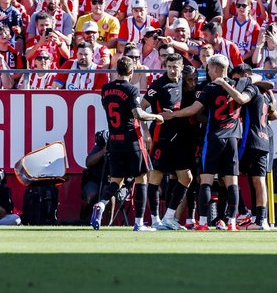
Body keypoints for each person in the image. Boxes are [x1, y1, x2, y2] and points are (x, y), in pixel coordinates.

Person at [162, 54, 258, 231]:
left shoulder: (211, 87)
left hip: (213, 138)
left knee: (206, 180)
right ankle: (231, 223)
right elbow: (247, 91)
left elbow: (194, 110)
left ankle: (204, 222)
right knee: (232, 182)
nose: (208, 71)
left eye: (209, 68)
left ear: (214, 69)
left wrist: (173, 114)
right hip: (232, 139)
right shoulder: (241, 83)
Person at [91, 56, 164, 231]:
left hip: (114, 141)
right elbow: (138, 114)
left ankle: (101, 204)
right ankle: (139, 223)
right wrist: (156, 116)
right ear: (131, 72)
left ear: (117, 70)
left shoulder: (106, 89)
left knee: (116, 181)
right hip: (132, 140)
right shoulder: (131, 89)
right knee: (142, 179)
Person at [140, 53, 193, 230]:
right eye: (169, 67)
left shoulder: (185, 81)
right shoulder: (158, 85)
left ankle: (169, 216)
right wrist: (146, 130)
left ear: (180, 67)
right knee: (155, 177)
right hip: (161, 137)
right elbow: (141, 108)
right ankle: (155, 220)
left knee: (186, 178)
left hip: (180, 139)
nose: (171, 70)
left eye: (175, 67)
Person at [230, 63, 277, 230]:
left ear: (244, 76)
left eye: (236, 79)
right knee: (258, 180)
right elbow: (274, 114)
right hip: (264, 140)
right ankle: (261, 220)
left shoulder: (251, 89)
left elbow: (241, 99)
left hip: (250, 139)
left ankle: (243, 212)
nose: (234, 83)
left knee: (227, 174)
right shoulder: (265, 93)